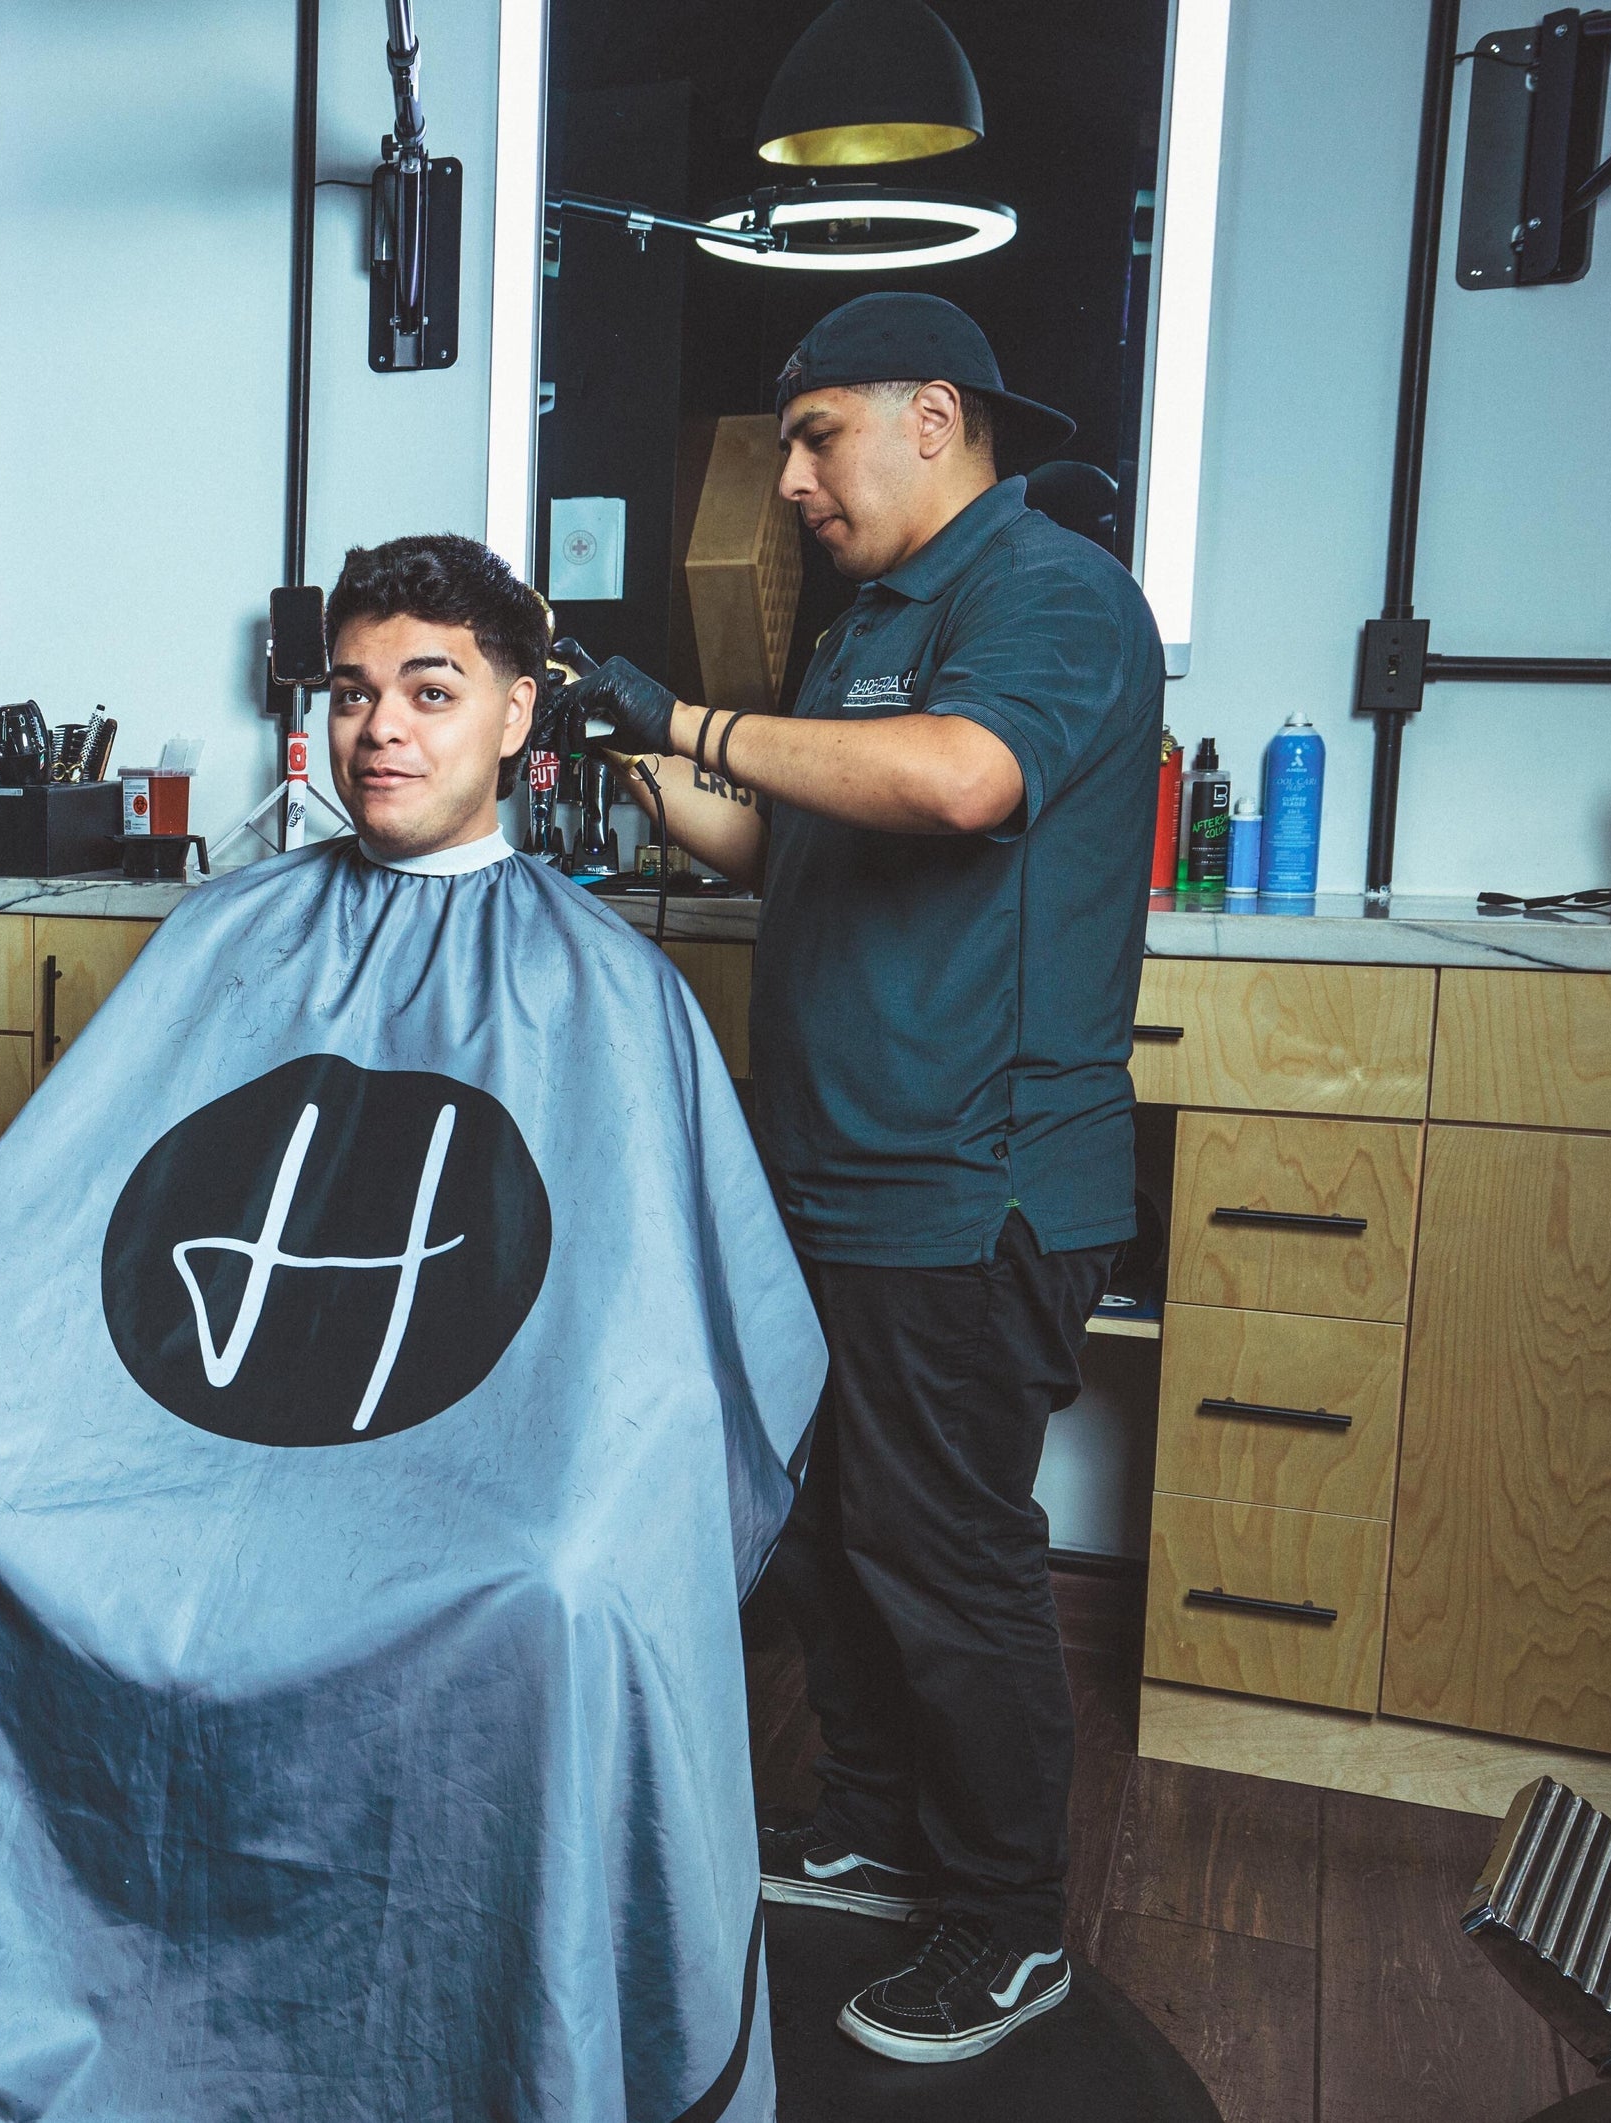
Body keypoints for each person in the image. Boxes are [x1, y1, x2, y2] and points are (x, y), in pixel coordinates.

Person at [0, 537, 821, 2120]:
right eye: (355, 693)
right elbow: (46, 1234)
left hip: (456, 1469)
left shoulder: (611, 989)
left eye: (431, 693)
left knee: (558, 1584)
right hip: (175, 1440)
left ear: (520, 716)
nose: (384, 729)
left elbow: (663, 1349)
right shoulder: (224, 935)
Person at [581, 292, 1163, 2063]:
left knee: (946, 1547)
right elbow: (780, 837)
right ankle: (871, 1821)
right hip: (832, 1171)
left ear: (936, 413)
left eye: (819, 441)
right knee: (834, 1529)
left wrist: (692, 711)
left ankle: (1004, 1924)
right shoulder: (871, 622)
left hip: (964, 1182)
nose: (797, 486)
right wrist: (627, 739)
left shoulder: (1048, 591)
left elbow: (964, 782)